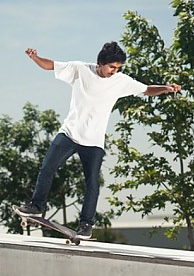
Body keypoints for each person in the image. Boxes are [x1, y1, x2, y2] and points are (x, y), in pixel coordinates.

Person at [14, 43, 181, 238]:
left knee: (92, 182)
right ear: (100, 62)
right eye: (111, 67)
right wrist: (35, 58)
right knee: (47, 167)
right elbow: (51, 65)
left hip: (93, 141)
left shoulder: (121, 81)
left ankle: (86, 224)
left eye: (118, 68)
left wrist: (166, 88)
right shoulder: (80, 69)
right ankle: (36, 206)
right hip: (69, 132)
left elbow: (146, 89)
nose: (114, 71)